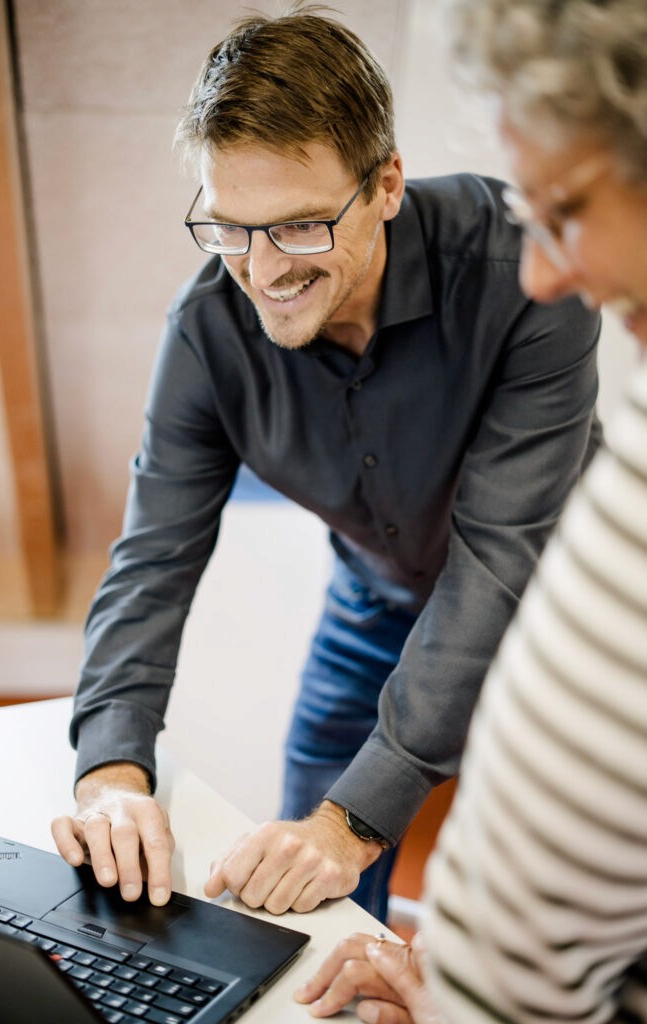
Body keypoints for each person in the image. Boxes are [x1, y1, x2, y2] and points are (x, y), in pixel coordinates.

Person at [50, 2, 601, 924]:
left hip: (564, 611)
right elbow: (151, 562)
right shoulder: (207, 334)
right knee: (305, 888)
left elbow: (498, 560)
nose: (263, 273)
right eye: (230, 228)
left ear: (386, 184)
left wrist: (357, 820)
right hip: (373, 601)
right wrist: (110, 774)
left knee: (550, 893)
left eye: (300, 227)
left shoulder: (523, 273)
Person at [295, 0, 647, 1019]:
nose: (545, 269)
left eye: (568, 208)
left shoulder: (504, 293)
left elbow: (491, 564)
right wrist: (447, 979)